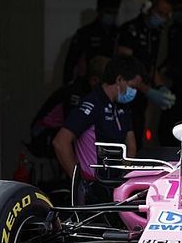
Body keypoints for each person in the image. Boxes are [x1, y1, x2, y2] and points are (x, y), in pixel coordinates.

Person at [53, 56, 145, 204]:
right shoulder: (92, 104)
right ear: (119, 79)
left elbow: (131, 145)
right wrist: (79, 182)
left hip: (116, 188)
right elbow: (60, 142)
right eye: (132, 87)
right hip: (92, 187)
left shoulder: (123, 107)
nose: (134, 92)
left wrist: (123, 177)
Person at [116, 0, 180, 146]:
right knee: (124, 138)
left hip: (140, 98)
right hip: (123, 94)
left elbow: (150, 65)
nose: (162, 17)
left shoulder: (155, 34)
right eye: (159, 13)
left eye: (166, 15)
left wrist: (161, 87)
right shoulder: (129, 30)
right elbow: (126, 69)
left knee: (137, 136)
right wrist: (149, 91)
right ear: (148, 8)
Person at [62, 0, 121, 85]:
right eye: (108, 12)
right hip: (88, 83)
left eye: (115, 13)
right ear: (99, 10)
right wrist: (68, 87)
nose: (112, 16)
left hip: (112, 83)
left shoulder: (120, 33)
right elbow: (70, 64)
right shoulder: (85, 33)